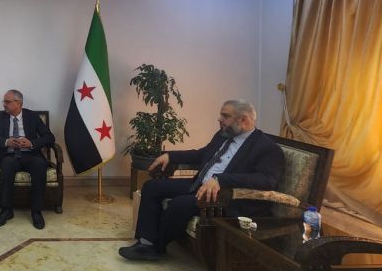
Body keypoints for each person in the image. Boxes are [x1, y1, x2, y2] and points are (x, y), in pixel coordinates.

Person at [119, 99, 284, 261]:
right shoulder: (223, 135)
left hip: (221, 197)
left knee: (179, 204)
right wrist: (170, 156)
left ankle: (156, 248)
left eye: (225, 116)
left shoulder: (267, 148)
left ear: (244, 120)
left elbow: (266, 179)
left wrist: (221, 180)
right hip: (198, 184)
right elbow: (201, 155)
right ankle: (146, 242)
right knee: (151, 187)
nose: (219, 119)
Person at [0, 89, 55, 229]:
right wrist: (6, 142)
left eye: (7, 102)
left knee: (39, 165)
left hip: (31, 155)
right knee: (7, 165)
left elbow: (49, 137)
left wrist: (31, 143)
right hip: (9, 155)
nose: (4, 104)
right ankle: (6, 210)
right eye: (4, 101)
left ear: (18, 103)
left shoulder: (32, 116)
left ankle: (36, 211)